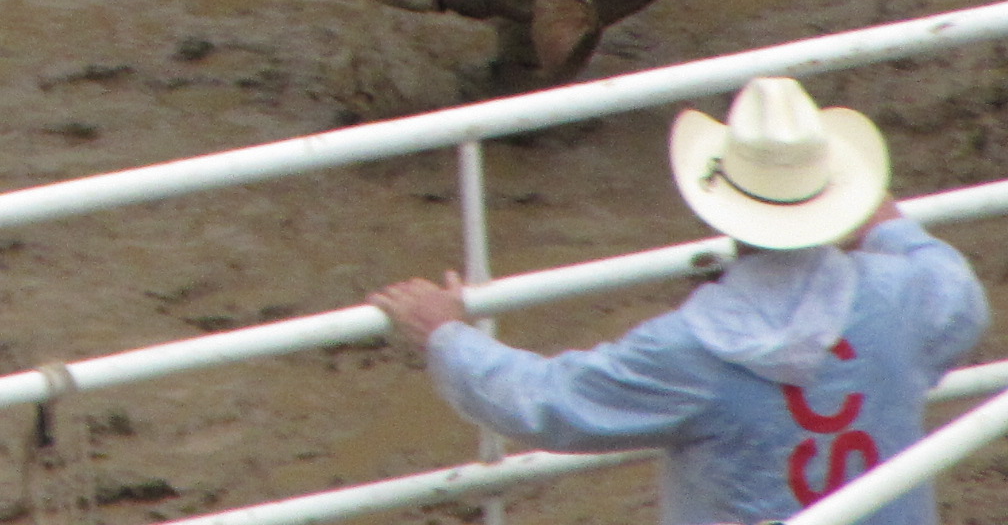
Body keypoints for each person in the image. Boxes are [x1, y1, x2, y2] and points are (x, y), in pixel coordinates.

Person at [370, 77, 989, 525]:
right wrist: (888, 227)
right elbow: (958, 298)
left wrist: (447, 335)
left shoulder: (690, 352)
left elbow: (550, 402)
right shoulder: (901, 296)